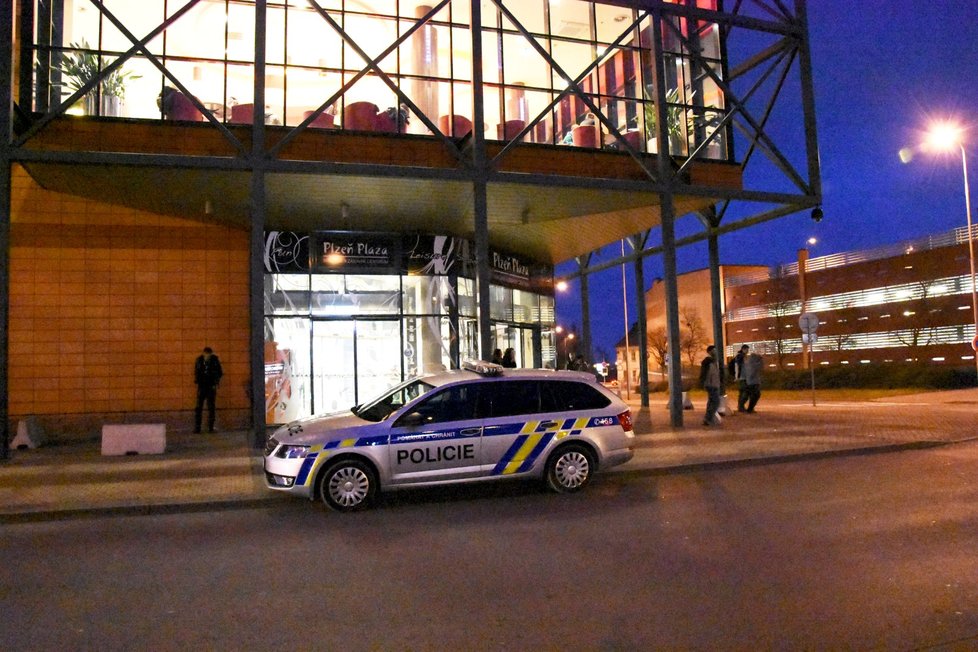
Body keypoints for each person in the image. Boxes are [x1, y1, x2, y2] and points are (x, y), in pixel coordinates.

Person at [193, 346, 223, 433]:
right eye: (206, 355)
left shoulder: (214, 361)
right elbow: (196, 372)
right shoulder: (199, 361)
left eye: (208, 355)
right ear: (204, 354)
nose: (207, 357)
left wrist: (215, 382)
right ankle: (198, 427)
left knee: (211, 407)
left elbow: (220, 372)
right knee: (199, 407)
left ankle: (210, 427)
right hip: (202, 386)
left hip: (210, 386)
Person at [698, 345, 721, 427]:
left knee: (711, 401)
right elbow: (703, 373)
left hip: (714, 384)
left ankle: (708, 419)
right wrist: (703, 382)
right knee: (716, 402)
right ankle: (708, 418)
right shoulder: (707, 361)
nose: (715, 352)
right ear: (709, 352)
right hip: (710, 384)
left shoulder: (715, 362)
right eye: (713, 350)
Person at [733, 344, 750, 412]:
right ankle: (741, 406)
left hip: (743, 377)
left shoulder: (742, 356)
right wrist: (737, 376)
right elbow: (737, 366)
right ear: (743, 349)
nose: (748, 351)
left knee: (742, 392)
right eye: (747, 349)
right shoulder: (740, 356)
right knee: (745, 392)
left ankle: (740, 406)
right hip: (743, 377)